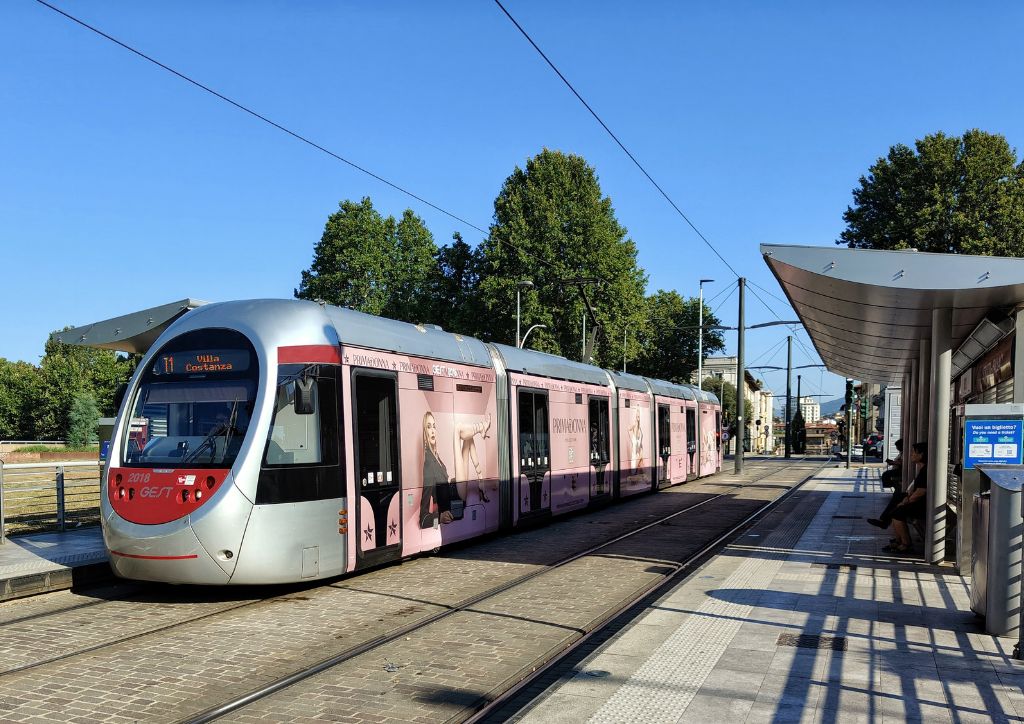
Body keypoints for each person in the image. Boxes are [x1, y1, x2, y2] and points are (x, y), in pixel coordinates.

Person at [868, 441, 927, 553]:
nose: (911, 455)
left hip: (923, 503)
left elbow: (921, 491)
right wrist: (906, 498)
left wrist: (907, 501)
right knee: (897, 500)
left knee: (897, 512)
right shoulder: (923, 469)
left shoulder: (926, 470)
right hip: (918, 500)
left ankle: (906, 544)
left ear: (921, 455)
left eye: (914, 453)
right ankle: (898, 539)